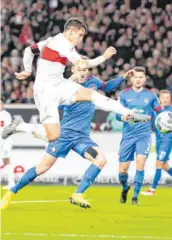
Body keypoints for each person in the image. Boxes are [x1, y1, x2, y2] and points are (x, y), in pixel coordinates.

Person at [0, 62, 133, 210]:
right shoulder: (64, 88)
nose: (83, 73)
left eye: (85, 69)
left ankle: (78, 194)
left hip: (82, 138)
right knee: (42, 168)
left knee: (101, 159)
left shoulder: (93, 81)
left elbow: (107, 87)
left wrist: (123, 77)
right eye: (79, 70)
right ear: (73, 70)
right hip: (64, 135)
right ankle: (11, 193)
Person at [5, 17, 150, 144]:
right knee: (53, 136)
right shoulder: (63, 44)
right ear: (71, 32)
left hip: (60, 84)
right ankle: (19, 126)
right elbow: (83, 64)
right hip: (45, 92)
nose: (80, 40)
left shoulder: (51, 41)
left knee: (92, 95)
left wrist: (28, 70)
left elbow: (29, 51)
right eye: (80, 35)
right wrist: (104, 57)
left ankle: (130, 114)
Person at [116, 67, 164, 205]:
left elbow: (160, 114)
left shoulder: (151, 96)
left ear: (144, 79)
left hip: (144, 135)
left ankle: (135, 197)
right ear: (131, 79)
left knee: (140, 164)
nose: (138, 79)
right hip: (128, 136)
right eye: (136, 77)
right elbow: (117, 115)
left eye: (141, 77)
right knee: (122, 171)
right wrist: (128, 118)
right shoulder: (124, 95)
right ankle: (125, 187)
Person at [141, 90, 172, 196]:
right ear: (159, 98)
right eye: (163, 97)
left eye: (168, 97)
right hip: (158, 140)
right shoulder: (154, 110)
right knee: (164, 165)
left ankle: (152, 189)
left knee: (158, 163)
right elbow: (148, 121)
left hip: (167, 140)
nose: (166, 99)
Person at [0, 98, 15, 190]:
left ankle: (11, 182)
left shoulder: (6, 115)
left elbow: (8, 129)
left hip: (6, 141)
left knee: (6, 160)